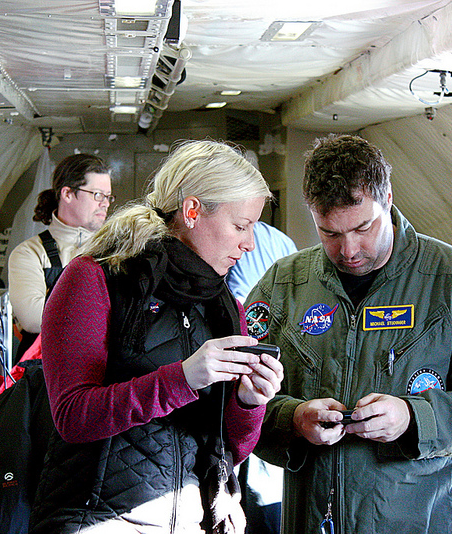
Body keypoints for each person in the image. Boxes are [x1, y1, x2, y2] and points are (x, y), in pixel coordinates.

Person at [247, 134, 452, 534]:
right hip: (311, 519)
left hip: (419, 521)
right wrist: (293, 418)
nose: (349, 250)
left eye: (364, 227)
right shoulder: (284, 284)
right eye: (330, 233)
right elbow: (238, 397)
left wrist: (415, 417)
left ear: (389, 199)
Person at [29, 140, 285, 533]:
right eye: (241, 225)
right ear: (193, 210)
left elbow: (230, 450)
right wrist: (182, 379)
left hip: (192, 519)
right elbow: (73, 417)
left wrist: (249, 402)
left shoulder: (223, 306)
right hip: (98, 518)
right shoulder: (92, 278)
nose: (249, 244)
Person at [226, 222, 297, 534]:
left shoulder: (270, 248)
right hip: (267, 394)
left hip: (252, 399)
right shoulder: (284, 245)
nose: (247, 244)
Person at [7, 153, 113, 361]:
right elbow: (31, 318)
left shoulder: (113, 250)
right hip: (44, 370)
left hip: (99, 365)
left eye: (108, 196)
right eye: (98, 195)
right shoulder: (30, 253)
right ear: (67, 194)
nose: (105, 203)